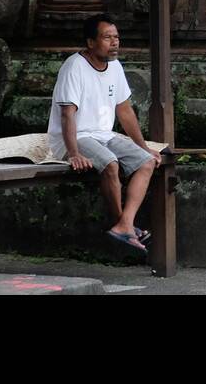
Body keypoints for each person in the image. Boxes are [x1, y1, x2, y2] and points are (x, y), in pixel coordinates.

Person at [47, 13, 161, 253]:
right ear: (90, 42)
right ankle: (125, 227)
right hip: (74, 138)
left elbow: (125, 111)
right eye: (107, 37)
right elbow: (67, 114)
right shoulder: (74, 66)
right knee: (110, 164)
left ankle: (124, 225)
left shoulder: (115, 66)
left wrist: (142, 147)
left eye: (117, 37)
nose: (115, 42)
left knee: (148, 162)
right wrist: (74, 153)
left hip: (104, 136)